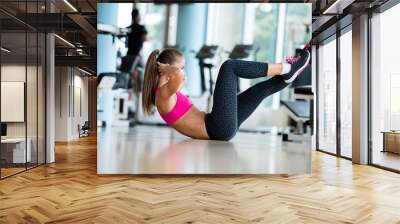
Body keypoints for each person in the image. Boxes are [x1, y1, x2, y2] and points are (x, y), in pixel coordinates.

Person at [142, 48, 310, 141]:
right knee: (229, 66)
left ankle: (298, 71)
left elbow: (179, 76)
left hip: (219, 126)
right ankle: (285, 68)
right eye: (181, 67)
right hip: (217, 127)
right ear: (166, 68)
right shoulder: (162, 94)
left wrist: (171, 69)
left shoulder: (167, 91)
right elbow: (179, 77)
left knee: (258, 91)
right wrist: (169, 69)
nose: (183, 72)